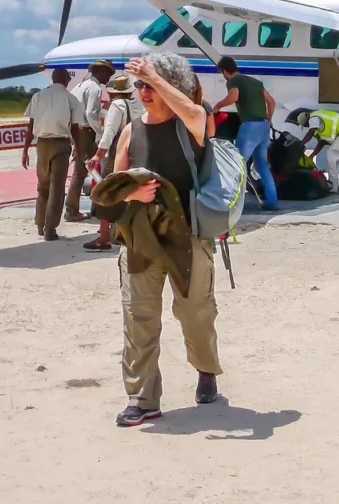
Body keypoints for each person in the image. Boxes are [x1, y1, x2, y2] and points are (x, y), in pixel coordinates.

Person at [109, 51, 222, 427]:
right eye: (139, 85)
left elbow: (196, 115)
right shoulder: (130, 130)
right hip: (141, 239)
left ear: (172, 86)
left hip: (187, 237)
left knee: (195, 314)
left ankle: (206, 370)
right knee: (138, 317)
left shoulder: (192, 122)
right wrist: (130, 195)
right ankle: (142, 398)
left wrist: (155, 76)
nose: (144, 91)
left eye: (150, 85)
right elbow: (111, 185)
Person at [22, 68, 84, 241]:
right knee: (57, 189)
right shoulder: (71, 99)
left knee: (43, 186)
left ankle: (40, 224)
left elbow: (30, 126)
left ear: (52, 79)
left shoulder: (37, 96)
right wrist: (78, 149)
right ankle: (50, 228)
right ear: (67, 80)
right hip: (61, 145)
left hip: (41, 145)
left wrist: (25, 150)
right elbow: (75, 128)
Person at [213, 56, 278, 210]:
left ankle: (233, 204)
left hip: (249, 127)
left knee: (238, 165)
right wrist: (268, 120)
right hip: (263, 127)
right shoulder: (255, 82)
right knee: (262, 165)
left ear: (224, 71)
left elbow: (233, 97)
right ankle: (272, 201)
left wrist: (218, 106)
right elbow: (271, 102)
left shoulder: (234, 81)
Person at [85, 73, 139, 251]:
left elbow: (109, 133)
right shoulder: (138, 104)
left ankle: (104, 237)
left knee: (106, 192)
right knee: (132, 193)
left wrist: (98, 155)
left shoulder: (117, 105)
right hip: (138, 153)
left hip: (119, 153)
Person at [69, 60, 114, 222]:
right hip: (86, 132)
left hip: (76, 131)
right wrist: (101, 133)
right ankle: (95, 207)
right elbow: (91, 114)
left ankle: (73, 209)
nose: (109, 77)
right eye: (108, 73)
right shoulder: (94, 88)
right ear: (100, 71)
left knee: (79, 172)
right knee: (92, 169)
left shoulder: (79, 86)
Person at [293, 108, 339, 192]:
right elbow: (322, 142)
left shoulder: (313, 117)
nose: (307, 126)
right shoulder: (318, 125)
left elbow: (310, 132)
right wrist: (313, 155)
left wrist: (300, 144)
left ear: (307, 121)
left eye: (306, 125)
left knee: (332, 154)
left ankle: (332, 186)